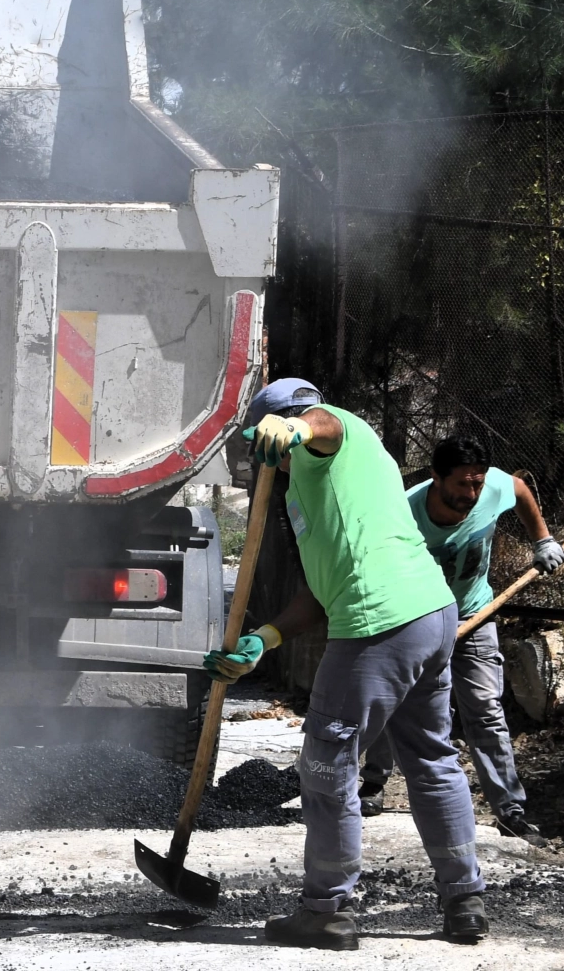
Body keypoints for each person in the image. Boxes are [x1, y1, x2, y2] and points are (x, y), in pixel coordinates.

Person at [204, 378, 488, 950]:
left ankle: (328, 909)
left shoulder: (340, 436)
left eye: (265, 438)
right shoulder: (304, 490)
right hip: (427, 615)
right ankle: (465, 899)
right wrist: (265, 637)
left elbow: (328, 423)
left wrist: (298, 424)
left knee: (327, 762)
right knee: (431, 755)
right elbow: (320, 590)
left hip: (380, 622)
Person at [358, 435, 562, 844]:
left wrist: (542, 539)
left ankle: (509, 808)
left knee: (485, 708)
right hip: (413, 616)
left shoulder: (494, 487)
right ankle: (374, 784)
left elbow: (519, 489)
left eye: (478, 484)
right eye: (462, 485)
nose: (472, 493)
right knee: (392, 702)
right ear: (436, 476)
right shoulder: (403, 511)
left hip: (474, 612)